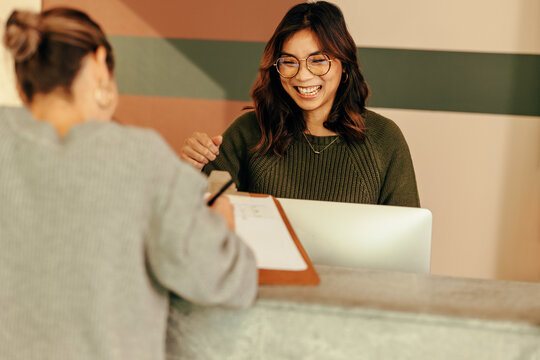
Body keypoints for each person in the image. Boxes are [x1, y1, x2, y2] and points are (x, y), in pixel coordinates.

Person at [0, 8, 257, 360]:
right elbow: (226, 283)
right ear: (100, 62)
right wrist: (223, 226)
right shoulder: (142, 158)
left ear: (21, 79)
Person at [180, 1, 420, 207]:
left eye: (318, 60)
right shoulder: (248, 132)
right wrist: (190, 169)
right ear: (276, 67)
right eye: (289, 61)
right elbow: (198, 224)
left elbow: (406, 247)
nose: (303, 76)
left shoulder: (384, 139)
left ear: (344, 65)